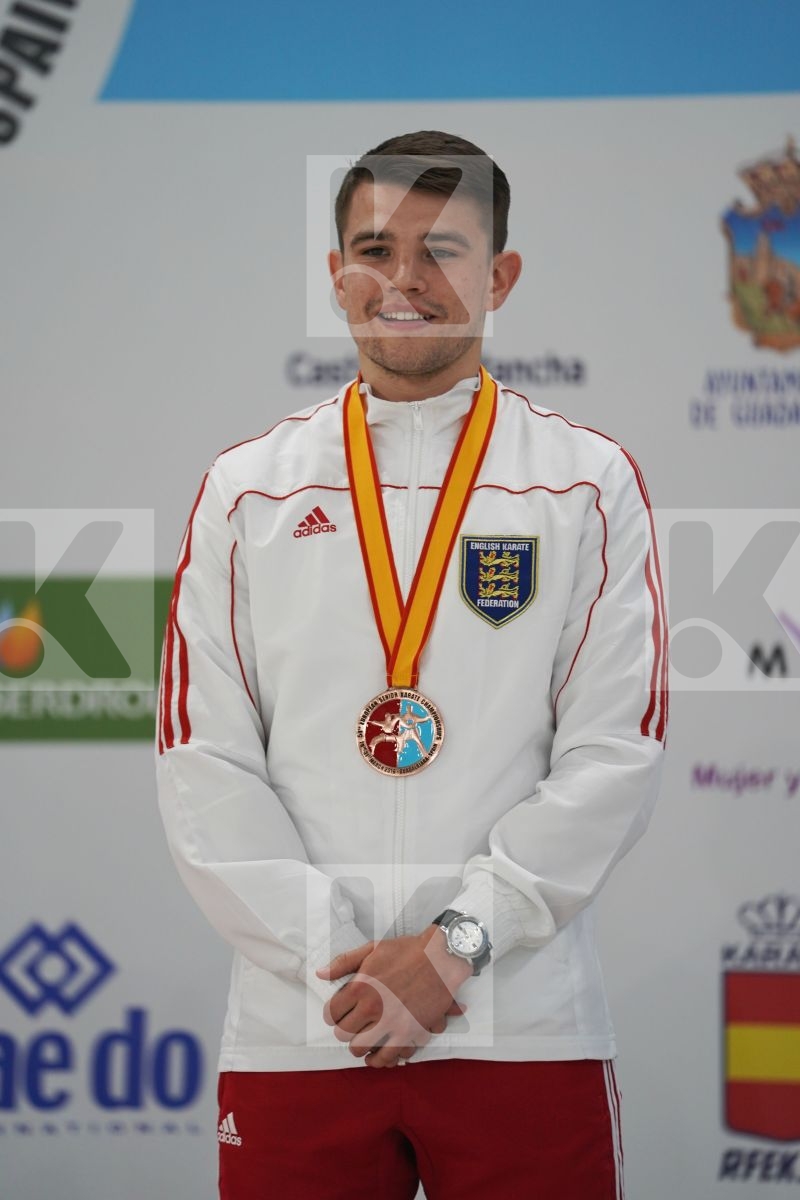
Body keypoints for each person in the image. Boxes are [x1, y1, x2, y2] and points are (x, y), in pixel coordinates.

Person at [156, 130, 667, 1199]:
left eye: (441, 250)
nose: (402, 281)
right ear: (335, 272)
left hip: (518, 1030)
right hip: (305, 1030)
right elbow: (203, 763)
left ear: (501, 275)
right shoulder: (248, 491)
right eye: (373, 248)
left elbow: (612, 753)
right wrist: (335, 967)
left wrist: (451, 953)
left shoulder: (582, 485)